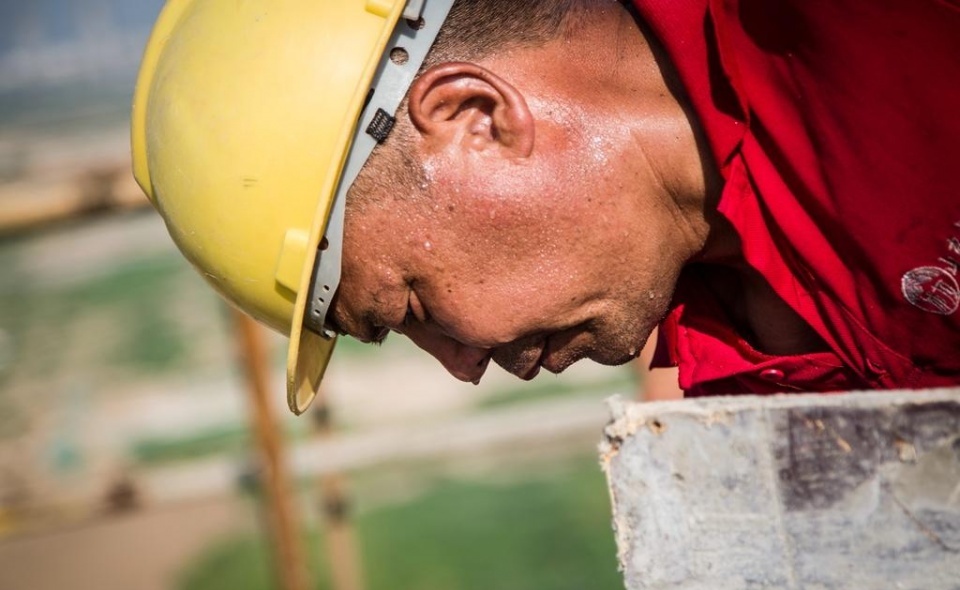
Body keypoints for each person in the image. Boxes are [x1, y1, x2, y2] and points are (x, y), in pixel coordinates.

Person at [132, 0, 959, 414]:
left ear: (475, 118)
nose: (461, 365)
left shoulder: (888, 30)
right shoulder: (730, 351)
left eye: (412, 304)